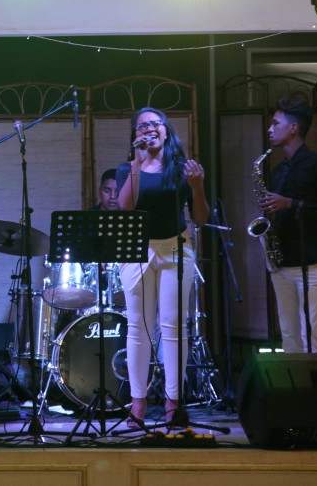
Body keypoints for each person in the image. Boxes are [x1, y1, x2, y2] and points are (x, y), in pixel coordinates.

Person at [115, 107, 209, 428]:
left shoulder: (182, 168)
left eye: (156, 124)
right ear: (135, 135)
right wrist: (138, 165)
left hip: (175, 248)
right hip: (137, 251)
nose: (150, 129)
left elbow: (200, 218)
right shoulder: (127, 168)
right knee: (138, 328)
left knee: (173, 327)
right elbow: (126, 207)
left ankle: (173, 402)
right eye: (143, 126)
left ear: (166, 131)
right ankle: (138, 403)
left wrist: (197, 186)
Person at [259, 97, 317, 354]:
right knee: (289, 335)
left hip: (312, 262)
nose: (269, 129)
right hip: (283, 262)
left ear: (293, 128)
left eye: (275, 123)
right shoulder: (279, 170)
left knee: (313, 334)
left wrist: (290, 204)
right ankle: (295, 391)